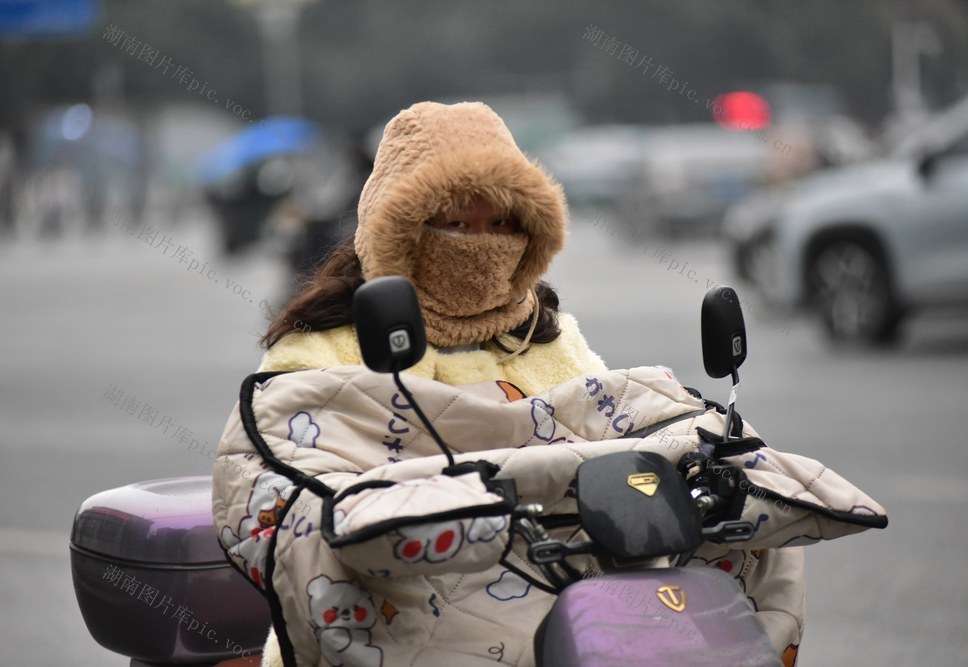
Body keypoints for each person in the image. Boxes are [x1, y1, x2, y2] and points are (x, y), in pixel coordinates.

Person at [213, 102, 884, 667]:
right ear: (401, 229)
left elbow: (614, 428)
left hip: (579, 599)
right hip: (419, 608)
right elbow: (286, 476)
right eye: (456, 222)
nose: (482, 241)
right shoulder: (329, 346)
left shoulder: (550, 336)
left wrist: (703, 459)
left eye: (501, 223)